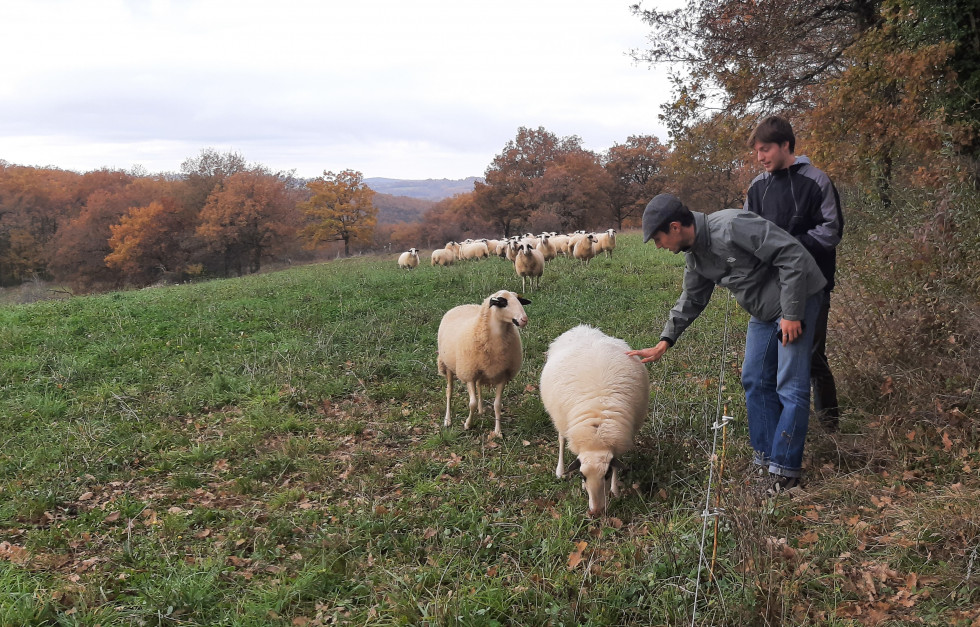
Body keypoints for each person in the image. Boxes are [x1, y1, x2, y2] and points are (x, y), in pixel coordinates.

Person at [627, 194, 827, 494]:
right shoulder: (695, 256)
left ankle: (786, 473)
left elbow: (792, 256)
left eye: (658, 238)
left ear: (675, 227)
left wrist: (792, 313)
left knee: (790, 384)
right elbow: (692, 299)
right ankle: (766, 459)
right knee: (754, 379)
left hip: (799, 299)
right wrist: (665, 340)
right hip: (763, 311)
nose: (659, 246)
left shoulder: (733, 225)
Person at [744, 116, 844, 431]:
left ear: (785, 145)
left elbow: (832, 230)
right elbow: (748, 231)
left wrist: (790, 249)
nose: (760, 158)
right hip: (770, 291)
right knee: (770, 364)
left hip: (813, 287)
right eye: (757, 152)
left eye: (765, 149)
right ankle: (781, 426)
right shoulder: (758, 187)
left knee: (812, 356)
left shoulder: (817, 180)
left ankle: (829, 425)